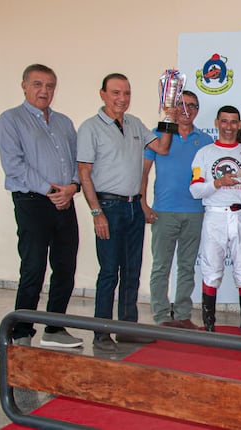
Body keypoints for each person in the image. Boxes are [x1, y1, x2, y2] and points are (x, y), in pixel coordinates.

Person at [77, 73, 172, 352]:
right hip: (108, 207)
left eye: (127, 93)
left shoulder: (134, 123)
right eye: (116, 92)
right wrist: (96, 213)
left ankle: (127, 329)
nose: (122, 98)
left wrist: (169, 116)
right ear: (103, 94)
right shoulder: (90, 127)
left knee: (132, 272)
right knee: (109, 272)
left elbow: (162, 148)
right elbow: (84, 172)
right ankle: (101, 333)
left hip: (133, 207)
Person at [0, 64, 83, 348]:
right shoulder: (10, 119)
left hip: (65, 201)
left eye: (49, 85)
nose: (44, 90)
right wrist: (51, 190)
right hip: (32, 202)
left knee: (65, 267)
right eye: (37, 84)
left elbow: (77, 161)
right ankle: (21, 332)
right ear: (24, 86)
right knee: (33, 267)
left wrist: (72, 187)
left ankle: (55, 329)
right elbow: (14, 165)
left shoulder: (64, 122)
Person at [190, 105, 241, 335]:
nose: (229, 126)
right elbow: (195, 190)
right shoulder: (205, 153)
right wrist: (218, 183)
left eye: (234, 122)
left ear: (240, 125)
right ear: (217, 123)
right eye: (224, 121)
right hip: (215, 216)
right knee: (211, 270)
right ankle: (209, 326)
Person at [140, 90, 213, 330]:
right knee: (161, 266)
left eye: (192, 106)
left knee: (187, 266)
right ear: (173, 107)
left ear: (197, 111)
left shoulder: (205, 141)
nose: (186, 110)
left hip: (195, 212)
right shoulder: (158, 134)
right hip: (164, 211)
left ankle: (182, 315)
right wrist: (143, 203)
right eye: (182, 104)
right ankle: (161, 315)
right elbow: (143, 172)